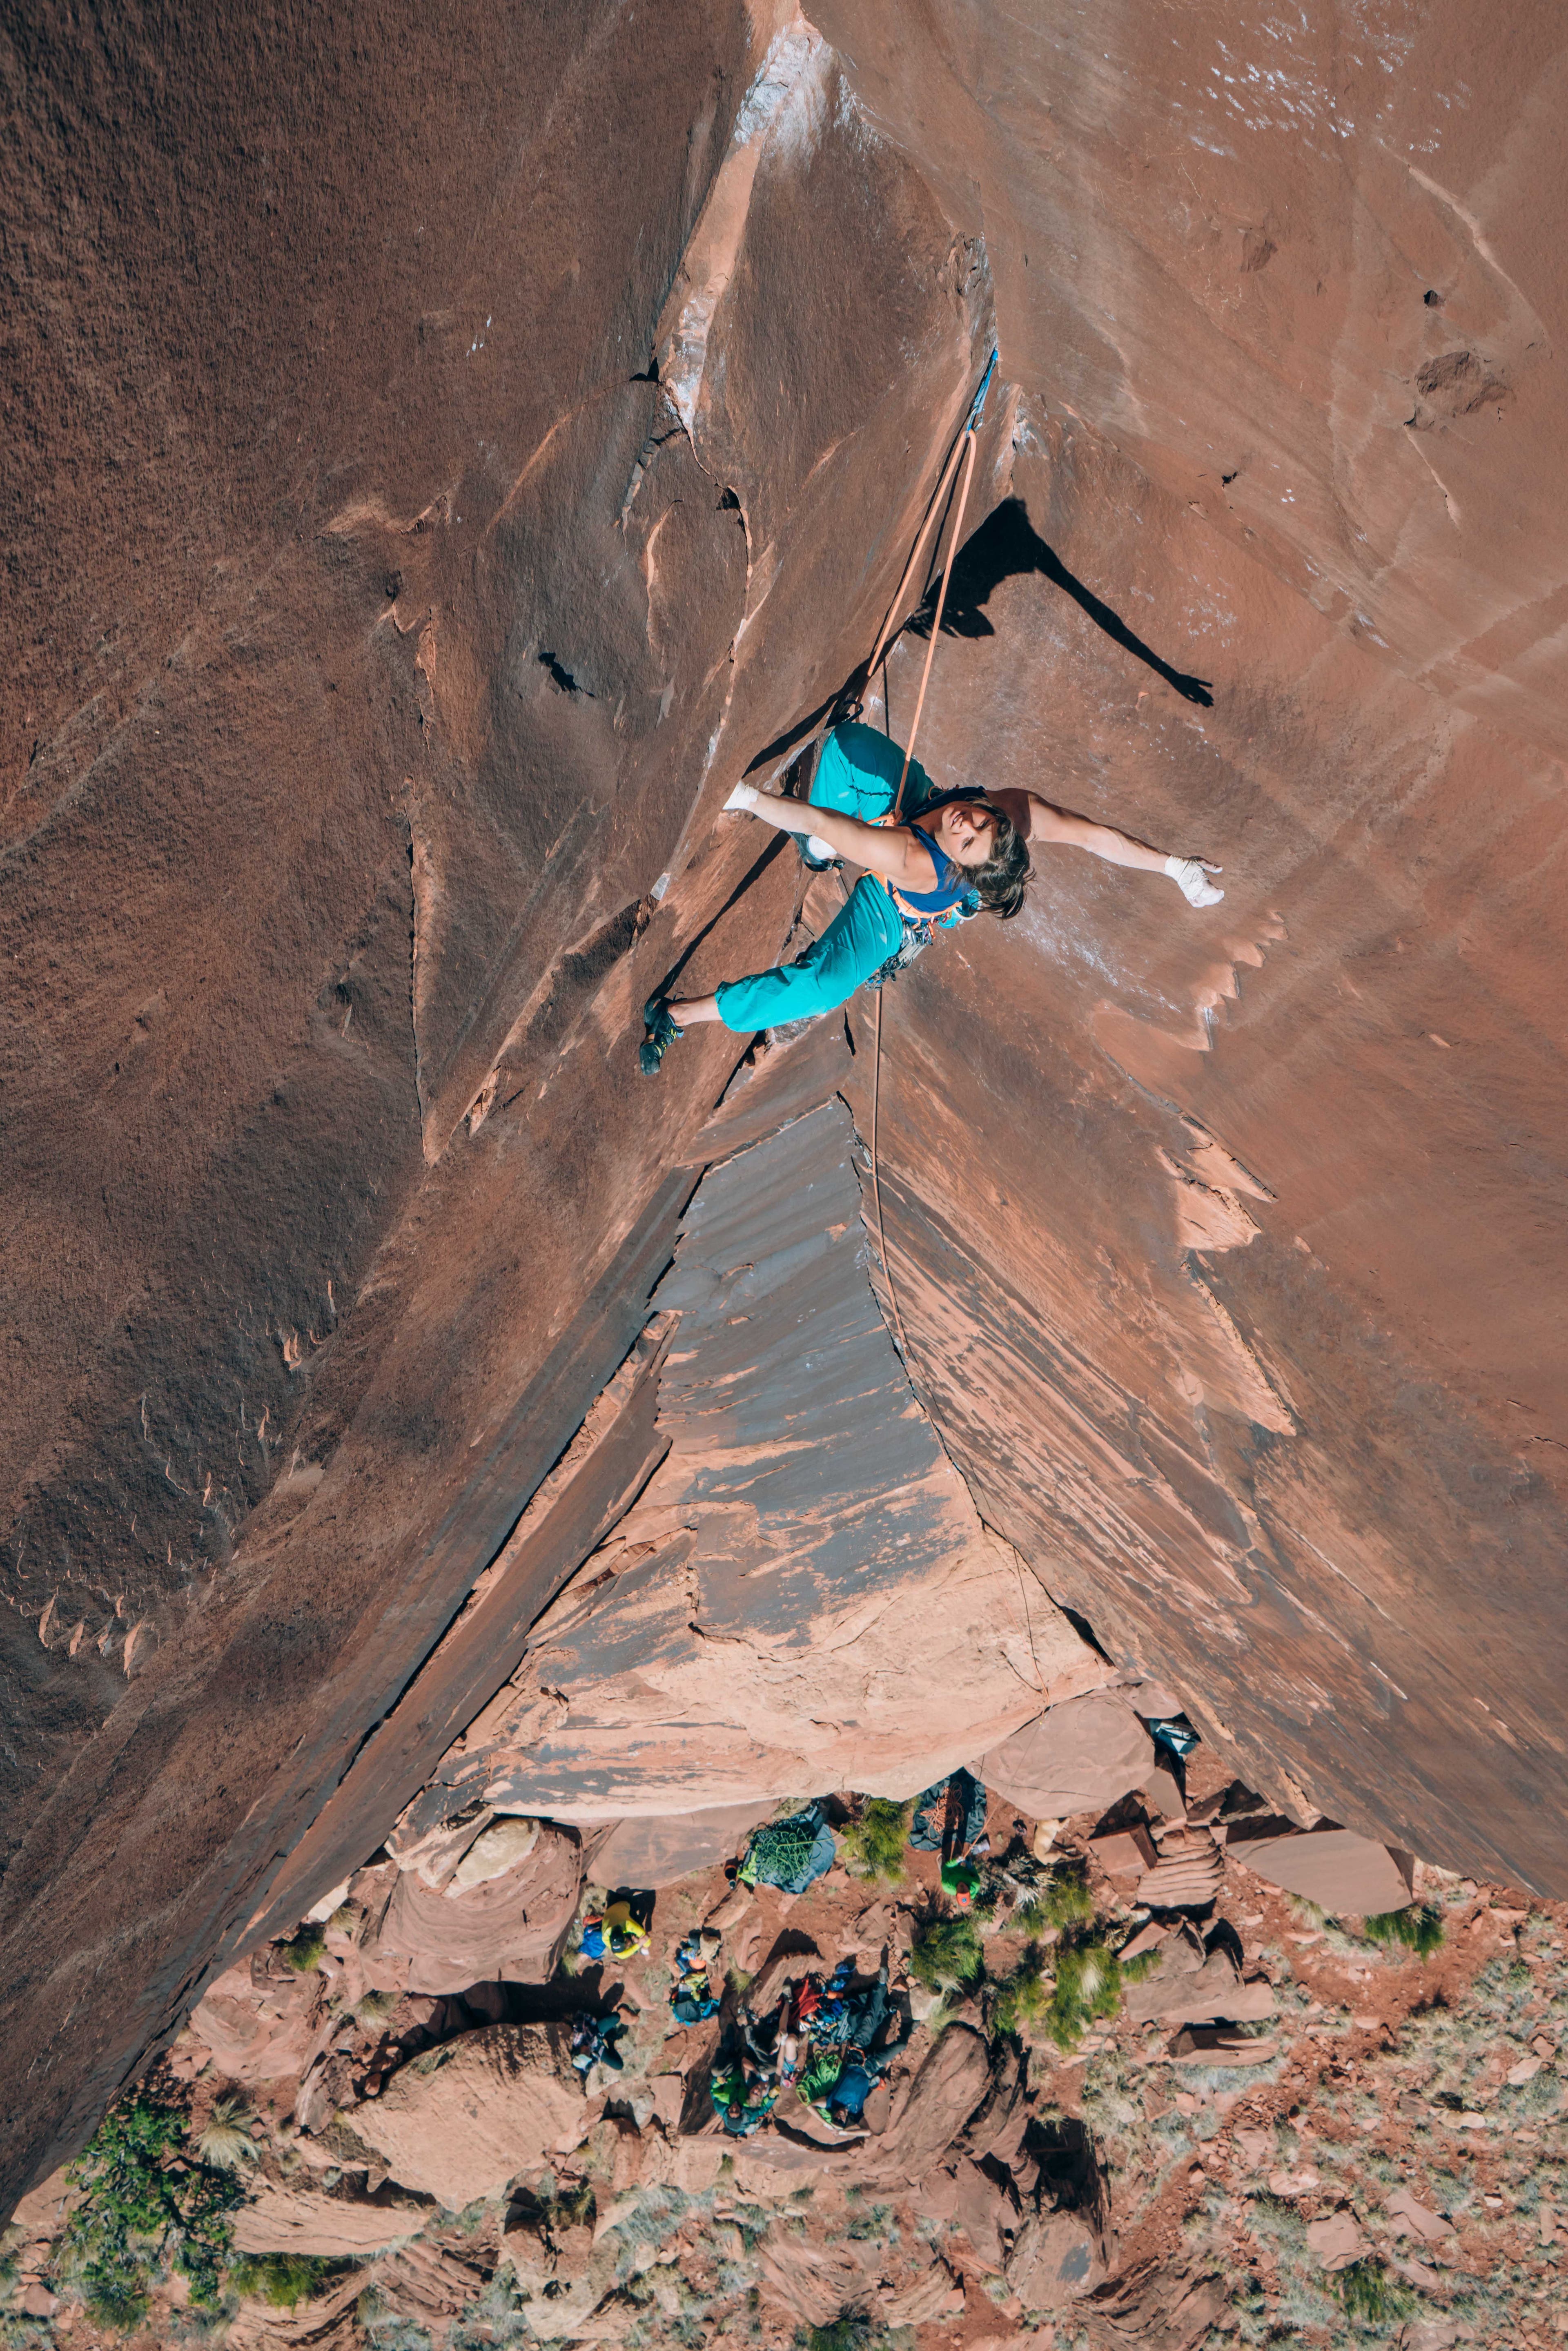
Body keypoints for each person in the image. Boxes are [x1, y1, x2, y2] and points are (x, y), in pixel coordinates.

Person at [640, 720, 1224, 1072]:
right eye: (981, 821)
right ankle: (818, 849)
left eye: (969, 841)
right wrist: (1175, 867)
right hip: (912, 801)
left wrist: (750, 800)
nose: (965, 824)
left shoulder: (920, 863)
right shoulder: (1011, 814)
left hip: (893, 909)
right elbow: (1097, 836)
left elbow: (835, 826)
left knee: (821, 985)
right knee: (845, 747)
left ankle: (675, 1015)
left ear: (965, 869)